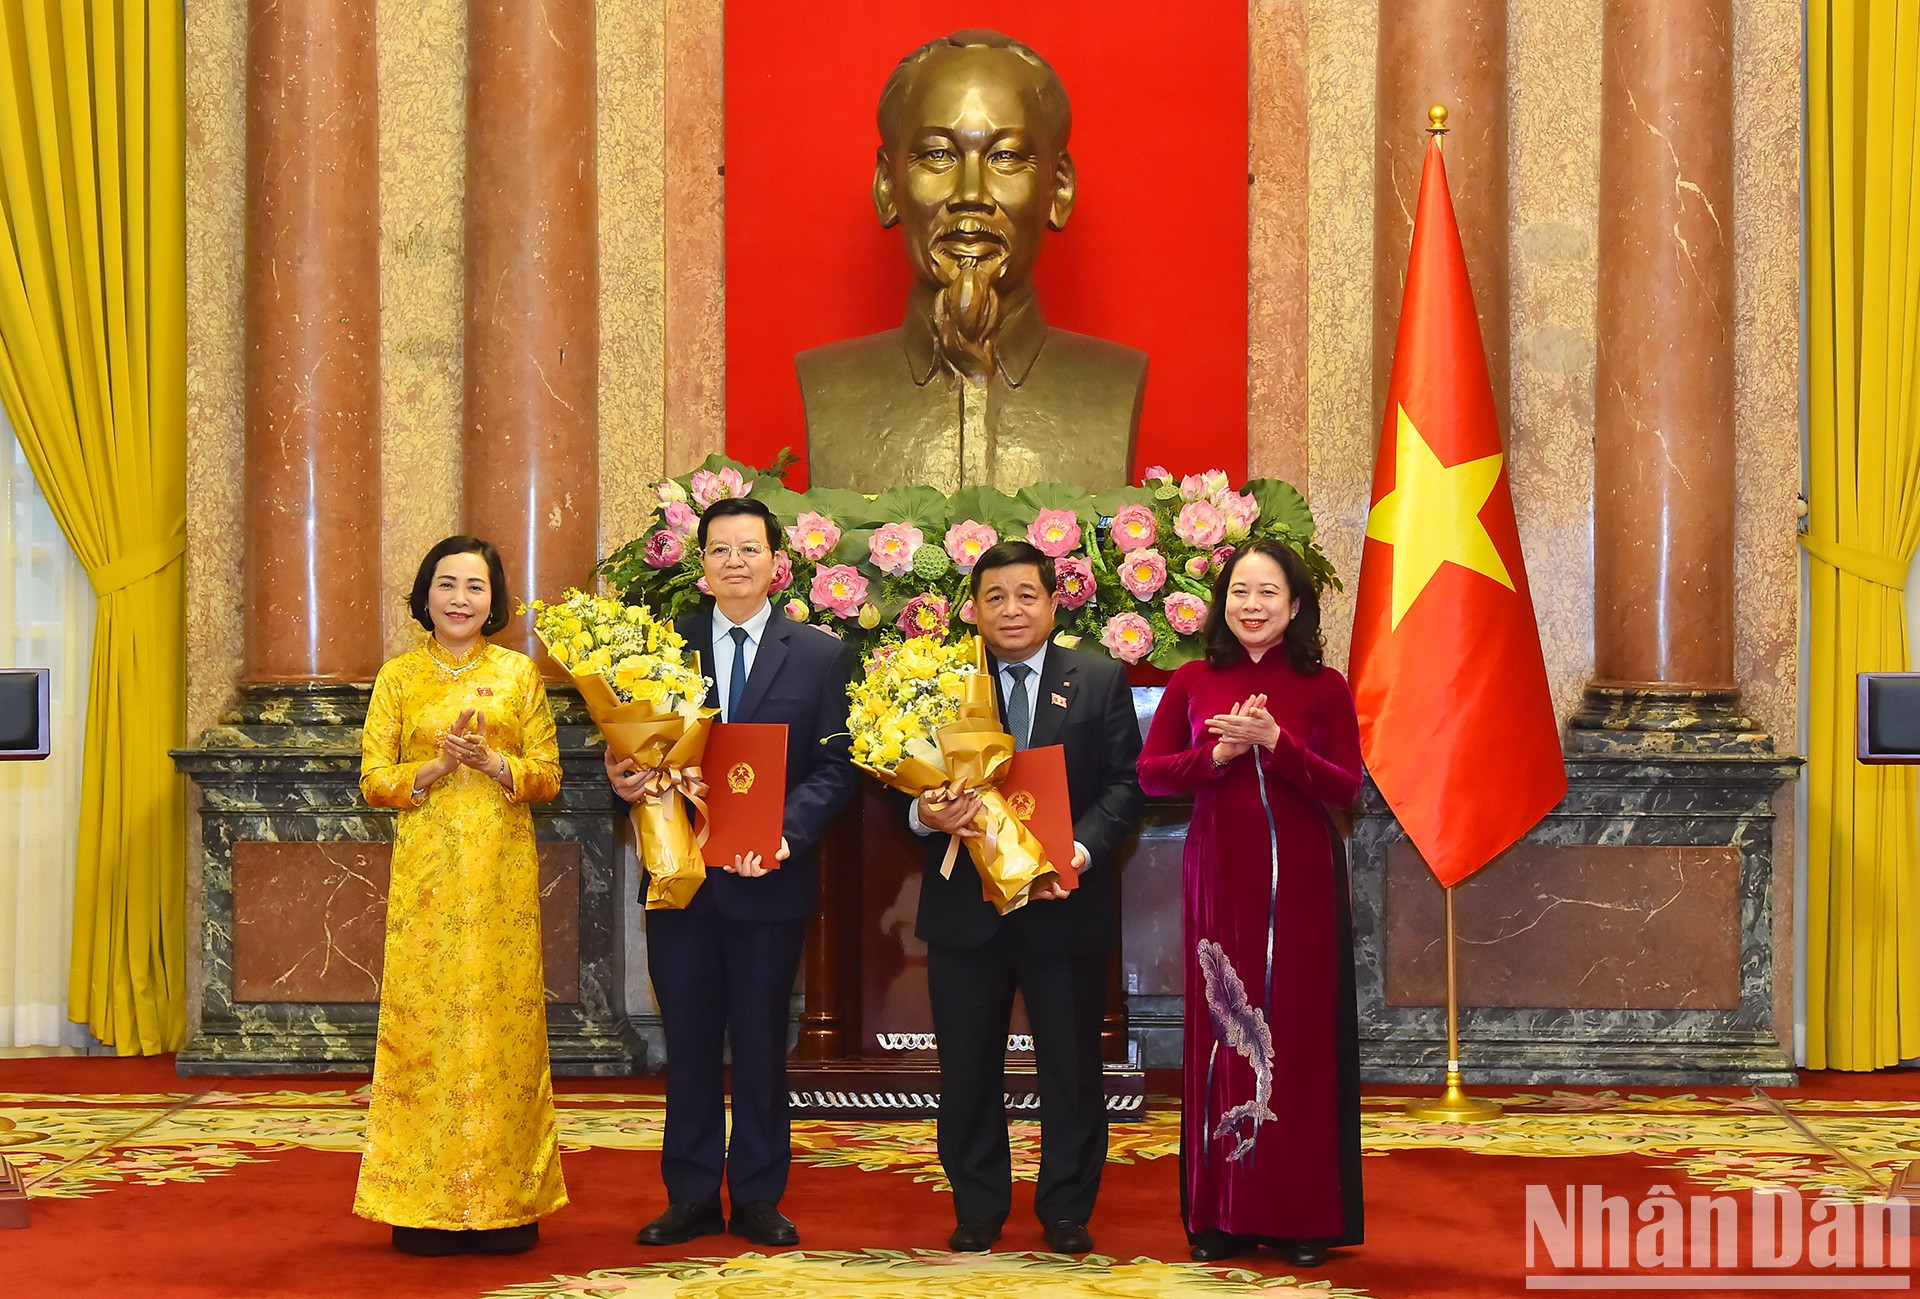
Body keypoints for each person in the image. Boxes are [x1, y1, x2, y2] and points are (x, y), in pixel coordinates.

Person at [607, 496, 859, 1250]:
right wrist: (620, 778)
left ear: (777, 563)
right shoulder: (661, 648)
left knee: (758, 1041)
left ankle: (755, 1194)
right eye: (720, 550)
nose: (735, 562)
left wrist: (786, 834)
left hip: (768, 877)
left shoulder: (818, 654)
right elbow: (626, 751)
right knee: (687, 1041)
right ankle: (687, 1194)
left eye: (749, 549)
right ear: (702, 566)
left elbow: (837, 765)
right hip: (679, 878)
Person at [1135, 538, 1365, 1268]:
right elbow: (1151, 775)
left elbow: (1347, 786)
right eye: (1240, 591)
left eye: (1268, 593)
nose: (1252, 605)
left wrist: (1278, 742)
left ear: (1295, 606)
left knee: (1295, 1033)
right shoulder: (1192, 679)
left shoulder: (1325, 685)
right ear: (1221, 602)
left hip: (1302, 881)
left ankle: (1301, 1215)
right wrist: (1220, 757)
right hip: (1218, 877)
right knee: (1223, 1031)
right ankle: (1220, 1215)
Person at [911, 540, 1143, 1255]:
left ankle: (1067, 1207)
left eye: (1026, 595)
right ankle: (978, 1206)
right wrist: (926, 814)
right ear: (972, 610)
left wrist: (1081, 847)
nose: (1011, 609)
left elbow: (1126, 785)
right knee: (968, 1067)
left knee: (1070, 1068)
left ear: (1052, 601)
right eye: (995, 597)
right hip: (965, 911)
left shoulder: (1098, 680)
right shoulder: (938, 683)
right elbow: (902, 782)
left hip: (1061, 903)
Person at [797, 29, 1145, 494]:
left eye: (1006, 157)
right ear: (887, 186)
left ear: (1058, 188)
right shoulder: (831, 386)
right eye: (938, 155)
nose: (971, 195)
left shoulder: (1112, 385)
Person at [355, 535, 566, 1256]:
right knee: (424, 1034)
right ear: (425, 595)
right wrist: (437, 765)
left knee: (503, 1033)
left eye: (475, 586)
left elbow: (549, 775)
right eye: (447, 584)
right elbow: (373, 778)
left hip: (502, 882)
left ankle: (511, 1201)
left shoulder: (518, 675)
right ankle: (419, 1203)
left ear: (493, 600)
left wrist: (495, 762)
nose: (459, 598)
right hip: (427, 884)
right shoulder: (398, 677)